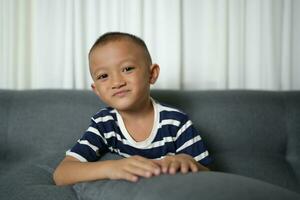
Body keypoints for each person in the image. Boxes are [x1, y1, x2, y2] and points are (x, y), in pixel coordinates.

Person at [53, 32, 212, 186]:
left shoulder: (176, 122)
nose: (117, 82)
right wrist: (111, 167)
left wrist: (188, 162)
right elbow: (62, 174)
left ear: (152, 74)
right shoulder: (104, 124)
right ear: (97, 90)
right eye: (103, 76)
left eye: (127, 69)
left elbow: (209, 174)